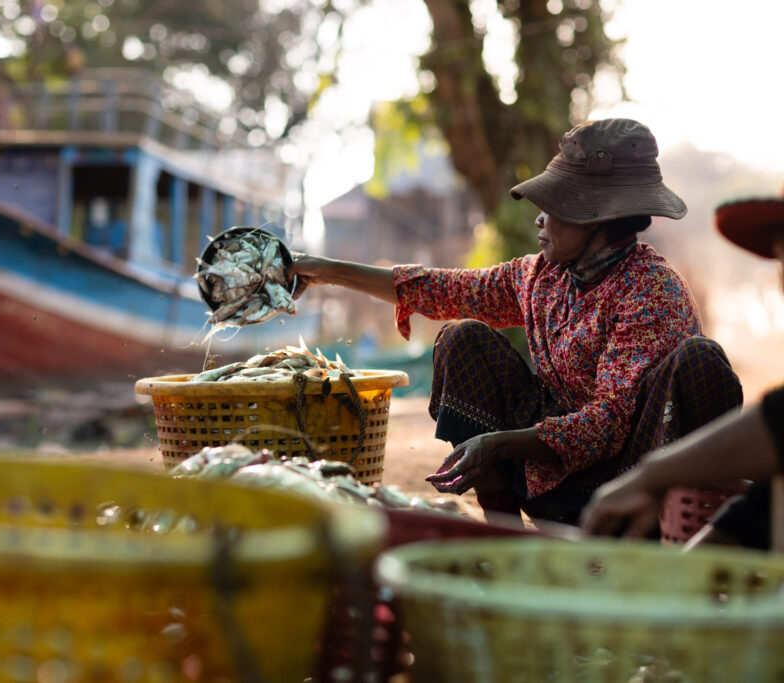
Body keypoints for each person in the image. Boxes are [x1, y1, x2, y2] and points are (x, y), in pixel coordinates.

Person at [288, 118, 742, 525]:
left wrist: (500, 444)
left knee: (701, 361)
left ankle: (672, 544)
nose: (540, 219)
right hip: (552, 479)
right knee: (461, 338)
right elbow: (442, 289)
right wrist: (324, 270)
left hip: (632, 482)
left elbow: (606, 426)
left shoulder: (651, 291)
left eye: (557, 208)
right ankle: (505, 534)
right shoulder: (541, 275)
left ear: (598, 218)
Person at [581, 190, 784, 547]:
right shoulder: (543, 282)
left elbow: (779, 424)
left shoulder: (656, 286)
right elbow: (758, 512)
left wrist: (651, 476)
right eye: (781, 264)